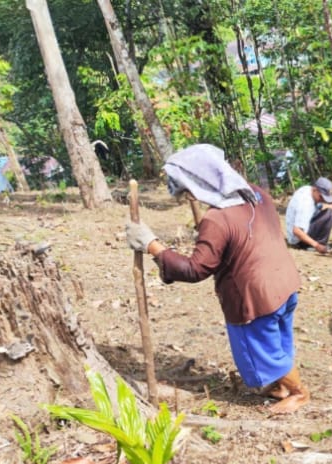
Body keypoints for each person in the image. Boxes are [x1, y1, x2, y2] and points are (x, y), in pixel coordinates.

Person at [123, 143, 309, 414]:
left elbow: (195, 269)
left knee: (266, 352)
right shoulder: (257, 195)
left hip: (255, 298)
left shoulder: (218, 219)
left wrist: (151, 244)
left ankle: (299, 393)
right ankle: (282, 386)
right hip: (284, 284)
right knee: (278, 342)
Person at [284, 177, 332, 254]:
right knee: (329, 214)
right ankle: (316, 244)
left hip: (296, 234)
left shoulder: (307, 190)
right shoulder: (305, 204)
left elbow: (317, 207)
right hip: (298, 240)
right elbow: (297, 231)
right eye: (321, 197)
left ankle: (316, 243)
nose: (322, 200)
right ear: (315, 189)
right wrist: (317, 245)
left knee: (328, 210)